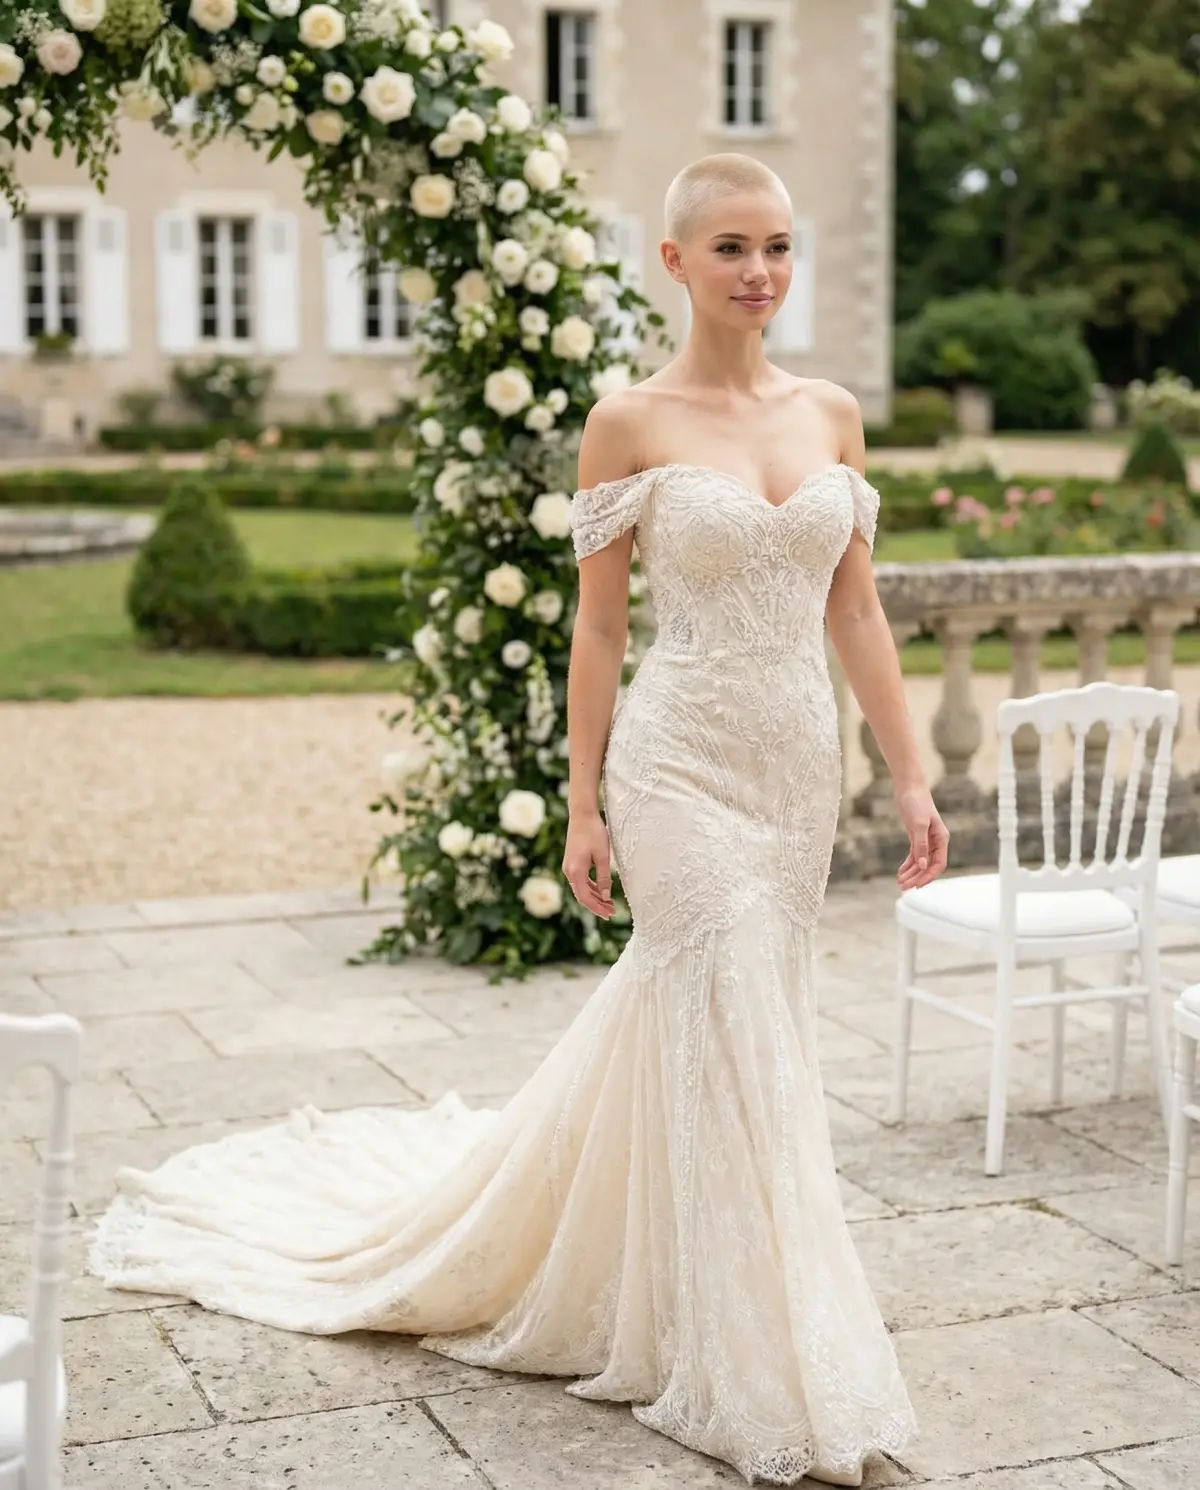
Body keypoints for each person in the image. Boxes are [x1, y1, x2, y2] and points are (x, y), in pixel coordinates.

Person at [88, 153, 948, 1489]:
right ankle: (778, 1366)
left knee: (745, 1022)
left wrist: (908, 775)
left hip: (792, 772)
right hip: (677, 764)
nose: (761, 272)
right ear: (674, 263)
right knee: (724, 996)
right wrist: (584, 801)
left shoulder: (834, 414)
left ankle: (674, 1280)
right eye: (730, 247)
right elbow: (598, 627)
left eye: (777, 244)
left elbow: (858, 612)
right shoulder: (628, 422)